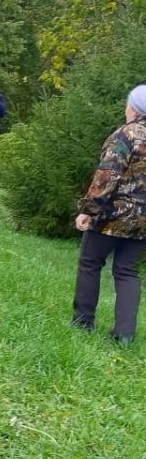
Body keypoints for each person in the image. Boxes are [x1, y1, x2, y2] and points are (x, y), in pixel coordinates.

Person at [71, 85, 146, 344]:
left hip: (112, 215)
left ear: (134, 108)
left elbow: (107, 176)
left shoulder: (126, 135)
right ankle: (124, 335)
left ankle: (82, 322)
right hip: (143, 222)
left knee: (90, 262)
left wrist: (89, 210)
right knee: (127, 271)